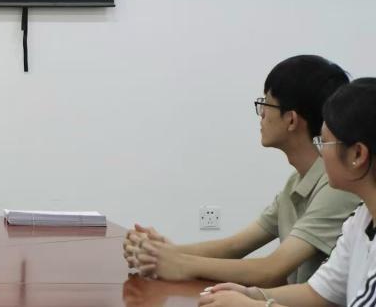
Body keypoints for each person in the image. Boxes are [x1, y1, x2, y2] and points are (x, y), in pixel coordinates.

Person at [126, 55, 358, 286]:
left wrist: (179, 263)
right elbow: (235, 246)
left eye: (266, 104)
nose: (262, 114)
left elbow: (270, 269)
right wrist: (160, 252)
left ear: (291, 120)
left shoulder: (336, 187)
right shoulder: (297, 181)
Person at [200, 77, 376, 307]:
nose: (321, 153)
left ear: (358, 155)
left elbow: (270, 269)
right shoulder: (361, 218)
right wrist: (253, 295)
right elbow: (318, 293)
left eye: (324, 142)